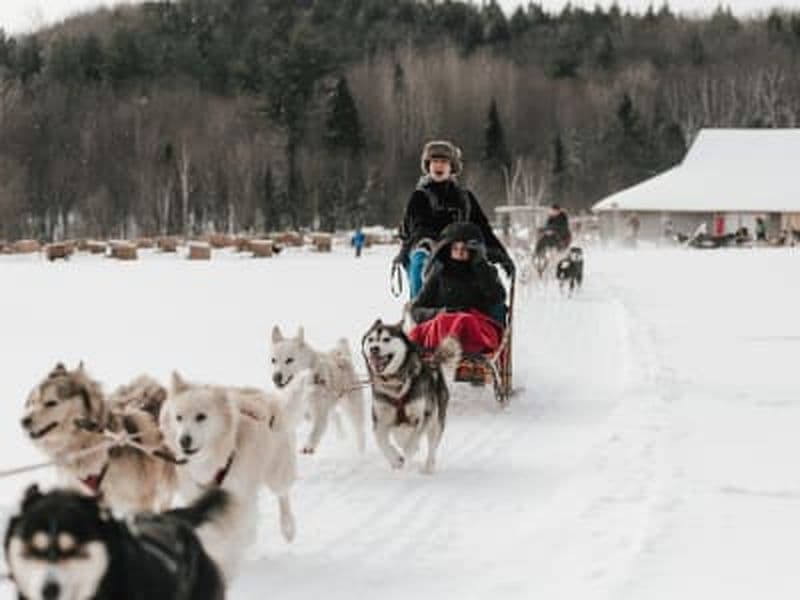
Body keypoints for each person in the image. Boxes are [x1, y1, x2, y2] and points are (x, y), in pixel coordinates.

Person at [394, 140, 514, 298]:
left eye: (443, 162)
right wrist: (440, 244)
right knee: (419, 263)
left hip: (460, 251)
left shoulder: (465, 198)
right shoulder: (419, 197)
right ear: (428, 166)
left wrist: (502, 256)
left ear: (452, 167)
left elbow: (483, 229)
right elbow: (418, 229)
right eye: (434, 161)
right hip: (426, 250)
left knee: (487, 275)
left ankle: (491, 311)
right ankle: (417, 308)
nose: (438, 166)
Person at [408, 222, 506, 356]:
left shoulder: (485, 272)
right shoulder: (439, 273)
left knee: (464, 320)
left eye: (464, 248)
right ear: (448, 250)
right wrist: (442, 312)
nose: (459, 252)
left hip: (475, 328)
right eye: (455, 248)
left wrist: (480, 266)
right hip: (442, 327)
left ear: (473, 251)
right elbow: (416, 310)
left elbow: (497, 298)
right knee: (443, 321)